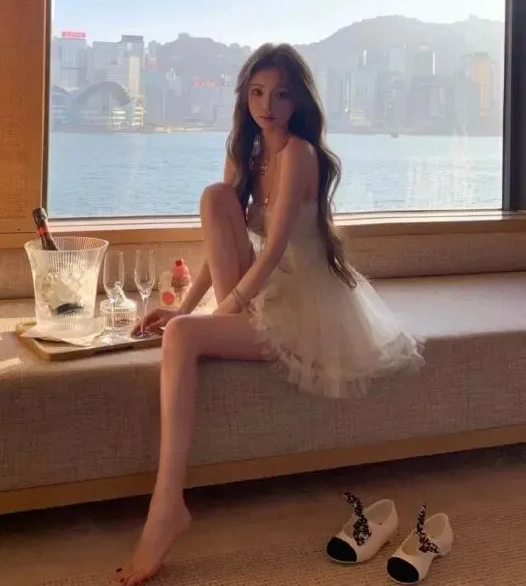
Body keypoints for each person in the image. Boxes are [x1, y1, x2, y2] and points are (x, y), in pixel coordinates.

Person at [117, 43, 423, 586]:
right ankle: (168, 499)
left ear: (298, 100)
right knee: (215, 198)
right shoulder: (246, 150)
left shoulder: (299, 153)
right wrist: (183, 307)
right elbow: (221, 243)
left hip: (304, 303)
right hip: (262, 289)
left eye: (281, 94)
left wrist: (216, 315)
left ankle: (167, 507)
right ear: (244, 97)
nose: (267, 105)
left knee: (184, 338)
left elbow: (277, 246)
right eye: (257, 92)